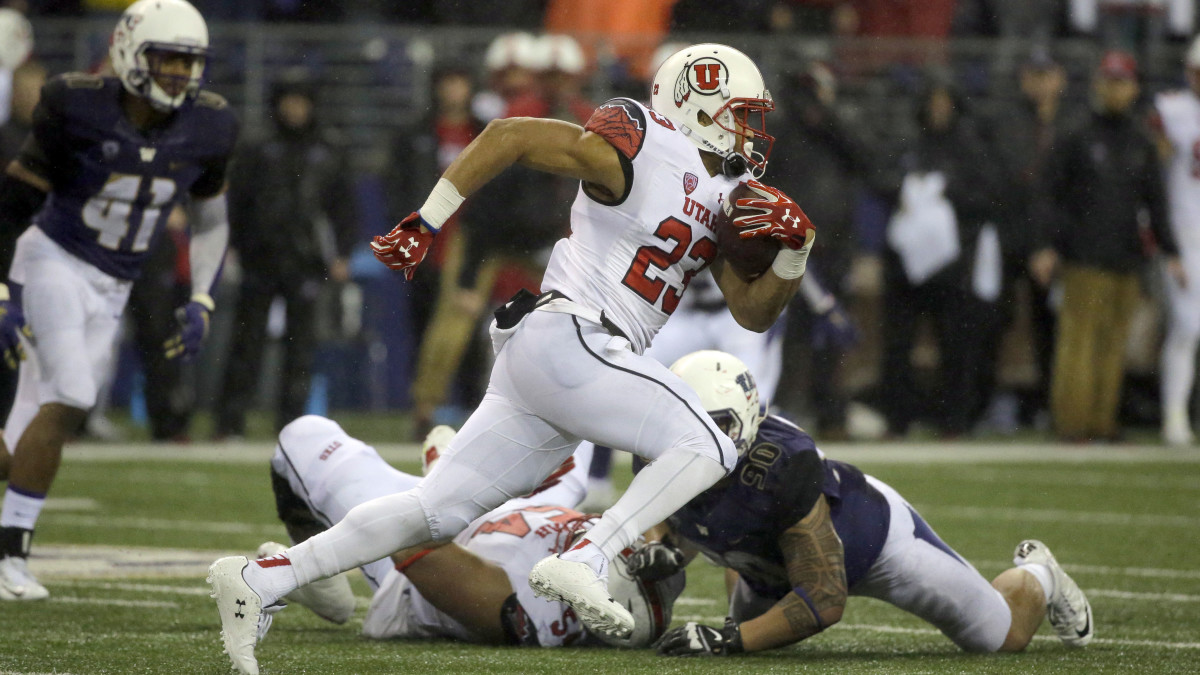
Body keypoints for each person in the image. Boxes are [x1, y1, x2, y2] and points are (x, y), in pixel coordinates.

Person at [209, 43, 815, 675]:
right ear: (698, 105)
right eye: (741, 114)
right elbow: (511, 135)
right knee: (712, 442)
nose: (751, 131)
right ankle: (588, 556)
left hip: (562, 359)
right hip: (575, 334)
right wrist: (428, 219)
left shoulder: (730, 192)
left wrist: (795, 253)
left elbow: (753, 312)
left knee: (434, 512)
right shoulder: (645, 143)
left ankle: (263, 578)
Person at [0, 0, 237, 601]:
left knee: (24, 434)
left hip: (114, 285)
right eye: (168, 58)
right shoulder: (77, 106)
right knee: (73, 394)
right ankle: (11, 554)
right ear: (131, 51)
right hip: (54, 259)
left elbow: (210, 221)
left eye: (189, 61)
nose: (179, 73)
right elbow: (16, 199)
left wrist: (203, 297)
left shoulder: (209, 125)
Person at [629, 350, 1093, 656]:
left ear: (747, 422)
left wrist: (730, 638)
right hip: (769, 565)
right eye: (684, 422)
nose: (695, 439)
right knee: (748, 637)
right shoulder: (656, 451)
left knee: (1000, 637)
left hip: (876, 547)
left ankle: (1039, 576)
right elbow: (680, 512)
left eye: (712, 425)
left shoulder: (782, 470)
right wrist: (662, 545)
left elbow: (825, 598)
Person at [257, 415, 683, 647]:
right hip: (515, 514)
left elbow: (413, 540)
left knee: (302, 435)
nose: (631, 544)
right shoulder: (614, 575)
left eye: (625, 555)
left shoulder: (517, 609)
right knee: (577, 407)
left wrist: (450, 468)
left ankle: (317, 578)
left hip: (426, 543)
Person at [1030, 50, 1185, 442]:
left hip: (1126, 256)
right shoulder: (1076, 134)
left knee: (1114, 342)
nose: (1115, 90)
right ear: (1098, 84)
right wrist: (1047, 244)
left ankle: (1102, 421)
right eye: (1109, 81)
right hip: (1083, 255)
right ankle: (1072, 423)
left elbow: (1156, 201)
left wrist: (1170, 251)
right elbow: (1048, 193)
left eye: (1122, 82)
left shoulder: (1141, 141)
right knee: (1079, 340)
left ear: (1134, 88)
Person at [215, 71, 357, 438]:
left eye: (301, 101)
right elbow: (237, 202)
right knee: (246, 342)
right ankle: (229, 422)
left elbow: (344, 207)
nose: (295, 109)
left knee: (300, 348)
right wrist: (233, 245)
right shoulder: (257, 147)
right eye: (289, 101)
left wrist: (342, 253)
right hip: (259, 258)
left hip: (306, 261)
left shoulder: (329, 150)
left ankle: (291, 426)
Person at [1151, 36, 1200, 446]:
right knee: (1187, 326)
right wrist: (1165, 243)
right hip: (1186, 235)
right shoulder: (1173, 110)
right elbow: (1154, 174)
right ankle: (1174, 415)